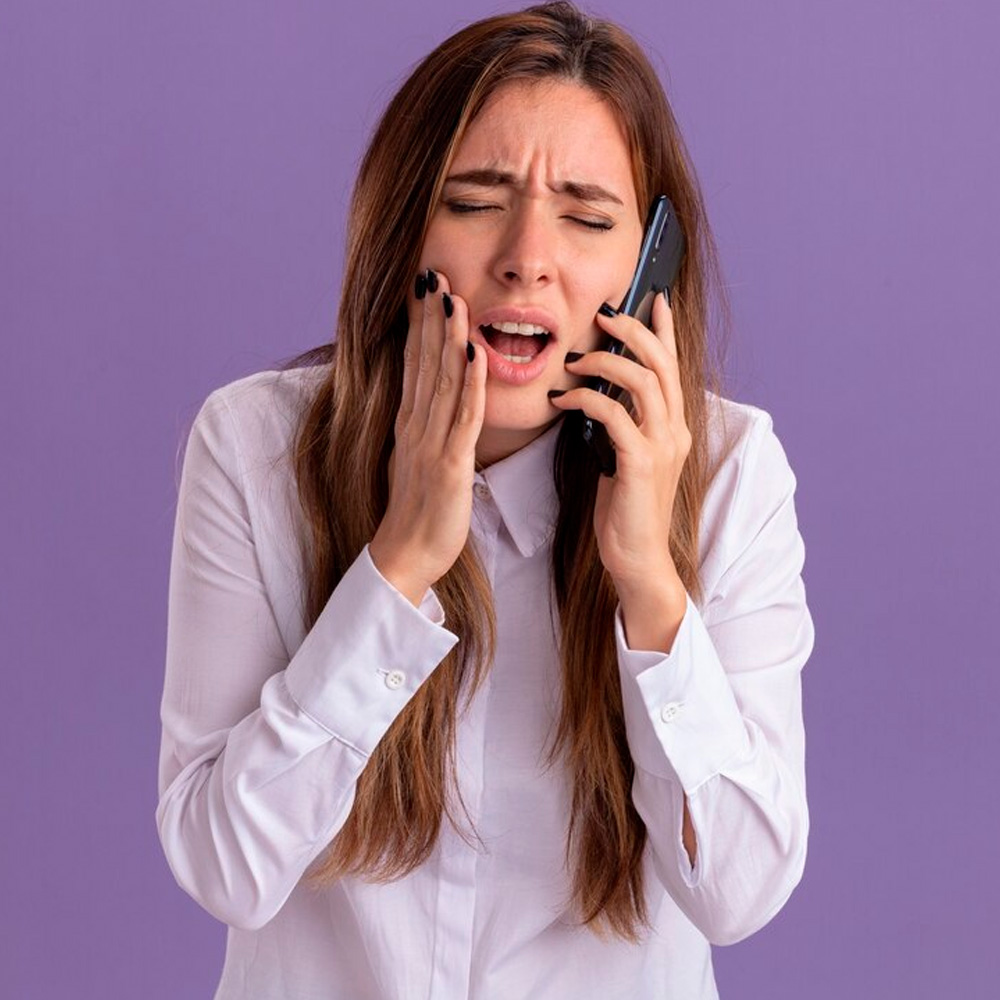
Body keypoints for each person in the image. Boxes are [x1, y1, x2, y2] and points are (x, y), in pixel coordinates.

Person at [156, 3, 815, 997]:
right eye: (474, 200)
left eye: (588, 218)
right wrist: (396, 568)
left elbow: (738, 890)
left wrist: (648, 587)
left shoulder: (730, 473)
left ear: (649, 271)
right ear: (402, 231)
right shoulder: (253, 447)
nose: (526, 256)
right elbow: (223, 867)